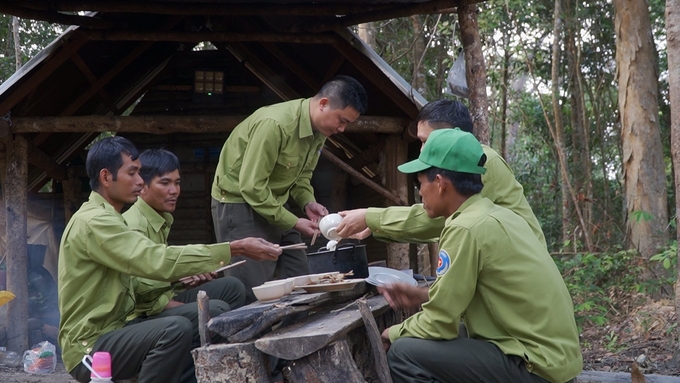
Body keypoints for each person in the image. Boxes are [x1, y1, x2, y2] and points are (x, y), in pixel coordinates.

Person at [58, 136, 282, 383]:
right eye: (132, 173)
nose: (139, 181)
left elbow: (147, 272)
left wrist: (179, 280)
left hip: (117, 330)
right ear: (105, 177)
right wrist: (233, 248)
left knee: (204, 313)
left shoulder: (111, 217)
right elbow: (155, 261)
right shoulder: (95, 222)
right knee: (178, 328)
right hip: (89, 348)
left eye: (140, 173)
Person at [380, 128, 582, 383]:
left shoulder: (464, 228)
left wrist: (392, 332)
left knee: (403, 352)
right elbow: (467, 296)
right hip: (559, 360)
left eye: (420, 183)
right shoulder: (500, 215)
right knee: (461, 332)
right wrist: (424, 296)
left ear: (440, 183)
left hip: (536, 367)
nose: (420, 193)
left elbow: (439, 323)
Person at [211, 75, 368, 303]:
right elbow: (251, 186)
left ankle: (293, 333)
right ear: (323, 104)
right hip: (239, 204)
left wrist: (307, 202)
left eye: (347, 124)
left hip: (274, 202)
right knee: (252, 290)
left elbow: (301, 176)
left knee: (301, 275)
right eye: (341, 120)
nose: (342, 129)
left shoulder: (320, 132)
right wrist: (293, 222)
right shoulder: (275, 125)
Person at [336, 99, 546, 251]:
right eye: (421, 142)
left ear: (453, 136)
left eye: (427, 141)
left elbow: (433, 222)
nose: (422, 150)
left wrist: (372, 218)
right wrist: (376, 226)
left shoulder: (482, 161)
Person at [123, 149, 246, 323]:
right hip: (142, 314)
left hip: (163, 299)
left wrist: (185, 278)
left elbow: (160, 274)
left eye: (177, 183)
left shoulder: (160, 219)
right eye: (165, 183)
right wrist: (177, 301)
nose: (174, 191)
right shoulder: (134, 226)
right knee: (215, 310)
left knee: (232, 287)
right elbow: (136, 291)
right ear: (142, 186)